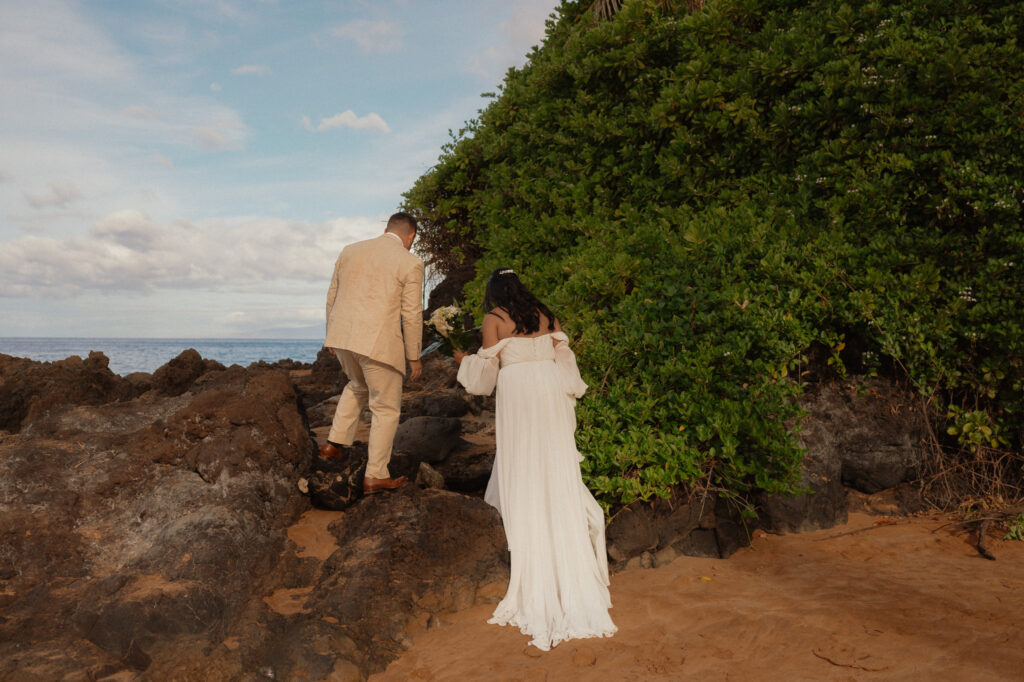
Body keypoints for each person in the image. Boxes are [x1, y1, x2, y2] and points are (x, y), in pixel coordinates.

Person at [453, 267, 616, 651]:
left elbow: (486, 375)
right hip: (547, 390)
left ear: (494, 292)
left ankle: (530, 533)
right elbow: (564, 356)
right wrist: (568, 389)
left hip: (519, 392)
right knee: (553, 462)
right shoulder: (545, 314)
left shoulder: (494, 320)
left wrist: (464, 360)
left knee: (524, 461)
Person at [321, 212, 424, 494]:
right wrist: (414, 355)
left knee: (357, 385)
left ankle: (333, 445)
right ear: (410, 236)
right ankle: (376, 475)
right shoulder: (411, 262)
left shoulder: (350, 251)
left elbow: (332, 294)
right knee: (386, 408)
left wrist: (331, 334)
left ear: (387, 228)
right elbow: (412, 313)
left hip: (343, 337)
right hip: (378, 343)